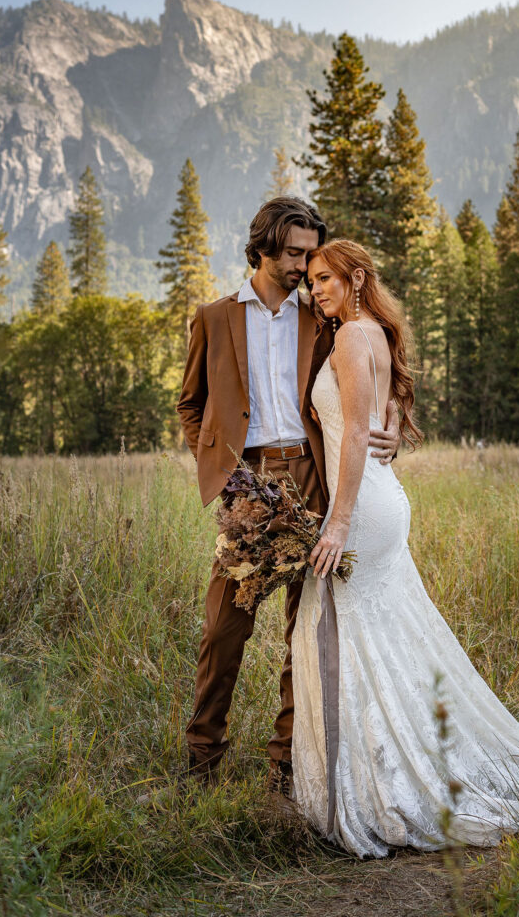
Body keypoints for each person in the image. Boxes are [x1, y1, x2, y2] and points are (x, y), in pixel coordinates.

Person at [291, 238, 519, 858]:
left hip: (362, 509)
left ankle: (379, 786)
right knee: (381, 636)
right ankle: (392, 764)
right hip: (383, 498)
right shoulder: (374, 331)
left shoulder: (351, 337)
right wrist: (391, 442)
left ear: (355, 279)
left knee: (332, 631)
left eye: (325, 277)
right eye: (310, 279)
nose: (314, 288)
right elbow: (384, 419)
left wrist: (336, 523)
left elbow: (355, 432)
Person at [176, 199, 400, 795]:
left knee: (305, 625)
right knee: (226, 622)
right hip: (246, 483)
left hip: (309, 477)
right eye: (296, 253)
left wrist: (394, 418)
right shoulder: (214, 318)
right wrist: (222, 470)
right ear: (264, 248)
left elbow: (376, 365)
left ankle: (286, 767)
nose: (305, 265)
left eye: (310, 254)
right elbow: (189, 404)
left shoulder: (320, 318)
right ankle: (202, 757)